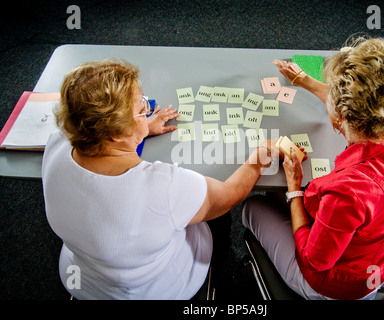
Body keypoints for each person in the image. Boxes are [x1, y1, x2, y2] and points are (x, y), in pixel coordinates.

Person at [42, 60, 274, 299]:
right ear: (116, 132)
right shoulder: (164, 185)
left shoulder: (57, 143)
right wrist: (258, 158)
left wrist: (138, 130)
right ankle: (218, 263)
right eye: (141, 106)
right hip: (155, 290)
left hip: (86, 280)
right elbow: (230, 195)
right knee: (218, 215)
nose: (147, 106)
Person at [242, 37, 384, 299]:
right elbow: (356, 105)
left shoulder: (348, 193)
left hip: (335, 286)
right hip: (382, 260)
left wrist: (295, 188)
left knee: (253, 206)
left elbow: (314, 260)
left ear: (341, 118)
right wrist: (304, 81)